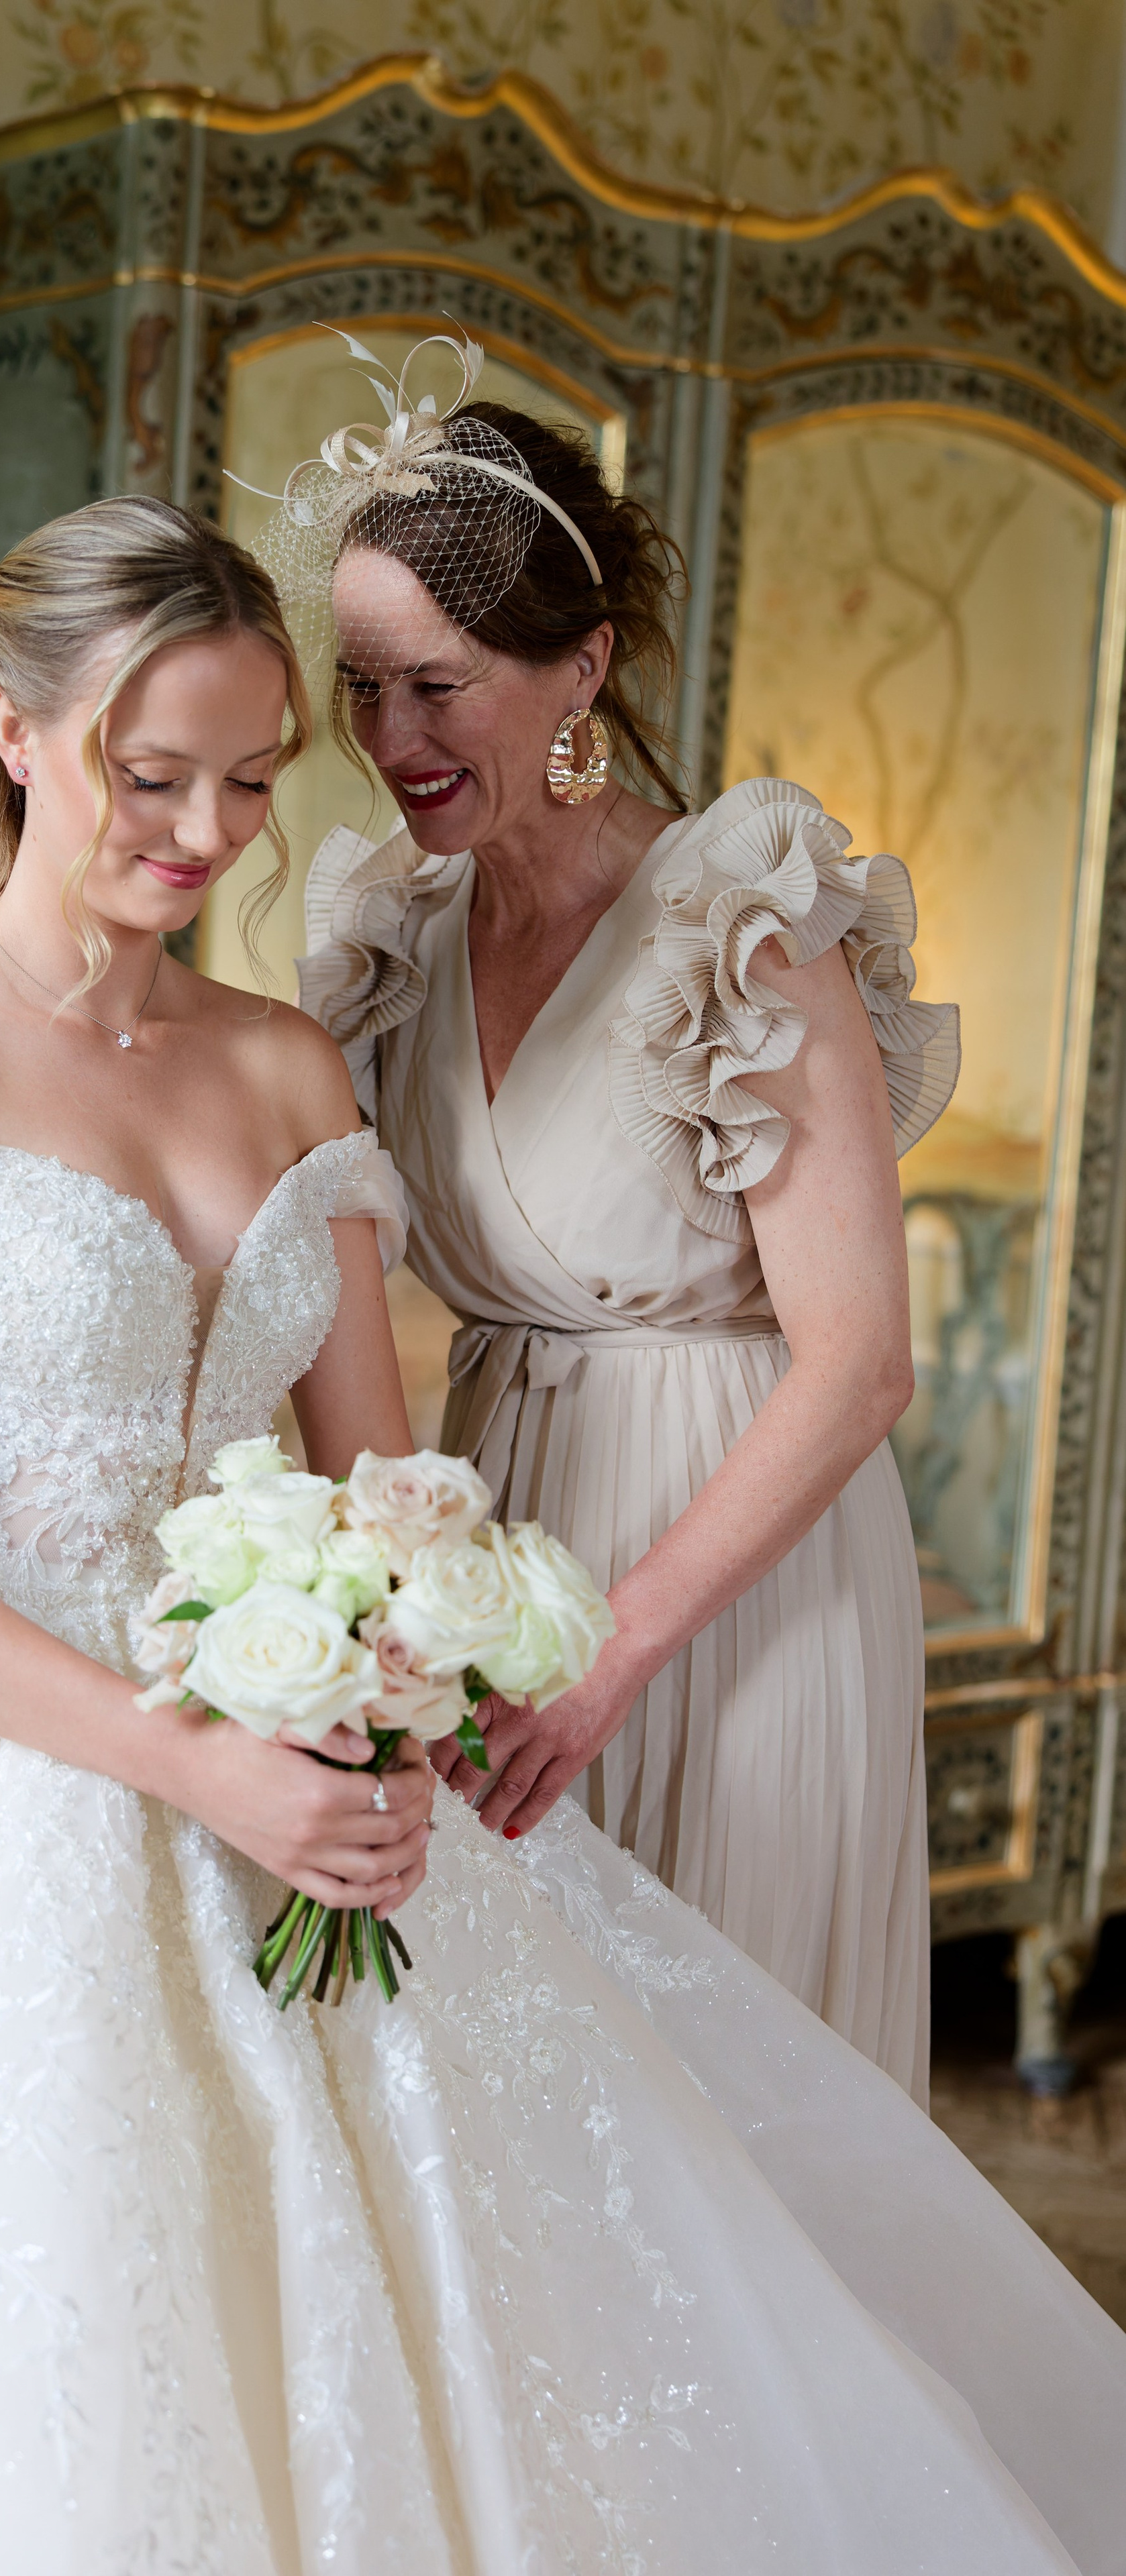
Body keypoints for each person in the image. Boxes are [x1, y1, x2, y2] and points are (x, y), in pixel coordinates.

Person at [0, 492, 1121, 2576]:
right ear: (17, 729)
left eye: (248, 780)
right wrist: (199, 1764)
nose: (209, 834)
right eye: (153, 777)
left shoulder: (292, 1063)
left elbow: (384, 1496)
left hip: (288, 1744)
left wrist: (385, 1699)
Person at [295, 341, 953, 2101]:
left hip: (731, 1585)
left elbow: (861, 1365)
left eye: (440, 686)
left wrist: (610, 1653)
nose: (394, 742)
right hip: (506, 1533)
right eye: (362, 688)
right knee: (512, 2112)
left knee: (719, 2101)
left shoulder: (740, 928)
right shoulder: (396, 938)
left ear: (580, 667)